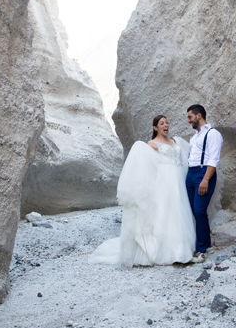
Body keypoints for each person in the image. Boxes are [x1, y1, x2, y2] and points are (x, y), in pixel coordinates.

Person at [89, 115, 196, 266]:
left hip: (178, 183)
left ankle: (182, 247)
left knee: (180, 212)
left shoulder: (175, 141)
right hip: (164, 184)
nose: (166, 125)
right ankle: (169, 250)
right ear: (155, 128)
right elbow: (145, 166)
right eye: (161, 123)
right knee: (166, 213)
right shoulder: (151, 145)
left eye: (167, 122)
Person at [185, 104, 223, 263]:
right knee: (194, 211)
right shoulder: (194, 137)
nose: (188, 120)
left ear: (199, 115)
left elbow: (213, 160)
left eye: (190, 117)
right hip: (191, 173)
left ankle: (202, 248)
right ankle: (204, 242)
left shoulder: (213, 134)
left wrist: (205, 179)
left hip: (203, 173)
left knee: (199, 210)